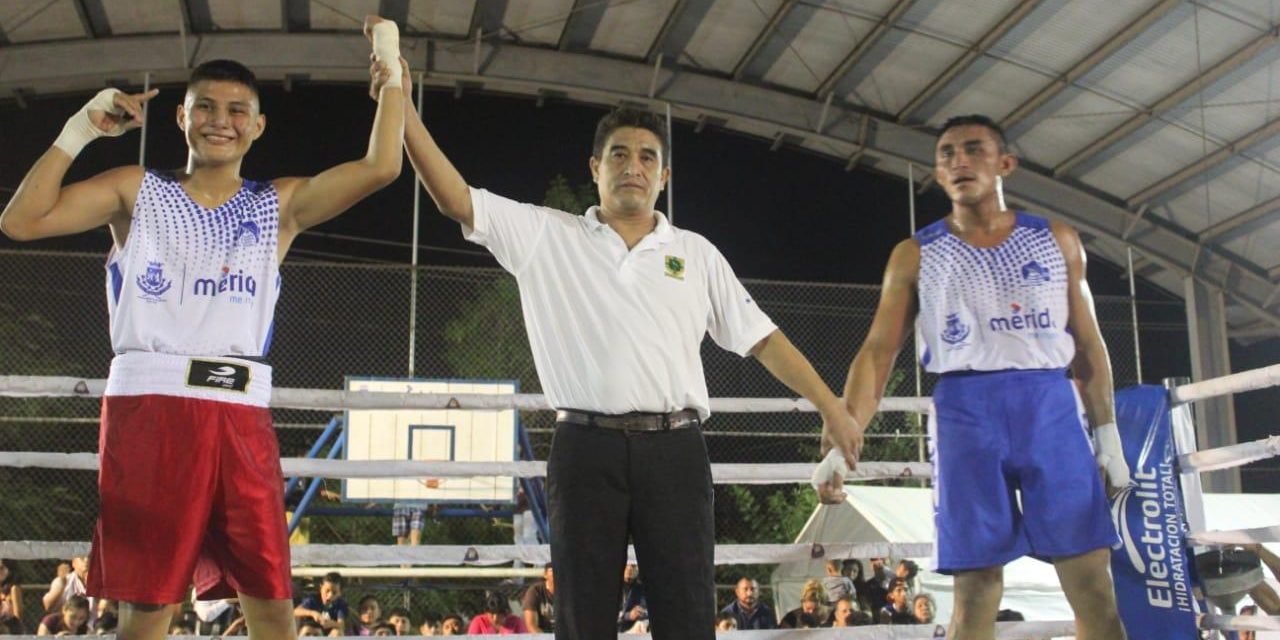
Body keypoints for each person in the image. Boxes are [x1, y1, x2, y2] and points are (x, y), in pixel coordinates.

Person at [377, 53, 860, 640]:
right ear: (595, 166)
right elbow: (455, 197)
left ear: (664, 177)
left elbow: (763, 339)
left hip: (676, 454)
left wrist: (832, 406)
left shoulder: (697, 254)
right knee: (582, 622)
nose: (634, 165)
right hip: (584, 453)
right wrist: (399, 97)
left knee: (687, 618)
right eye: (620, 154)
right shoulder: (545, 236)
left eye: (648, 157)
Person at [0, 13, 403, 640]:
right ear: (180, 118)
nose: (222, 119)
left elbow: (382, 166)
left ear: (258, 125)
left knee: (270, 602)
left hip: (240, 415)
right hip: (150, 408)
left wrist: (393, 76)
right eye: (206, 107)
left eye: (238, 110)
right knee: (148, 609)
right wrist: (80, 130)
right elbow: (20, 221)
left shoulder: (282, 203)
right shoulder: (136, 190)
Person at [842, 113, 1128, 640]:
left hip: (1048, 405)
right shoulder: (915, 254)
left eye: (973, 149)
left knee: (1092, 585)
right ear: (937, 172)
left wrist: (1107, 435)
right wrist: (844, 434)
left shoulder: (1057, 240)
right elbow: (878, 352)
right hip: (965, 413)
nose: (959, 161)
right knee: (975, 591)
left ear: (1005, 164)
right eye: (947, 153)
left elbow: (1088, 345)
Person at [522, 564, 555, 632]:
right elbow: (531, 626)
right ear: (545, 574)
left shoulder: (570, 592)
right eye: (552, 571)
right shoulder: (535, 592)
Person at [0, 559, 23, 632]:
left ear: (9, 570)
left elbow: (18, 614)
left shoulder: (14, 589)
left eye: (1, 568)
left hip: (10, 629)